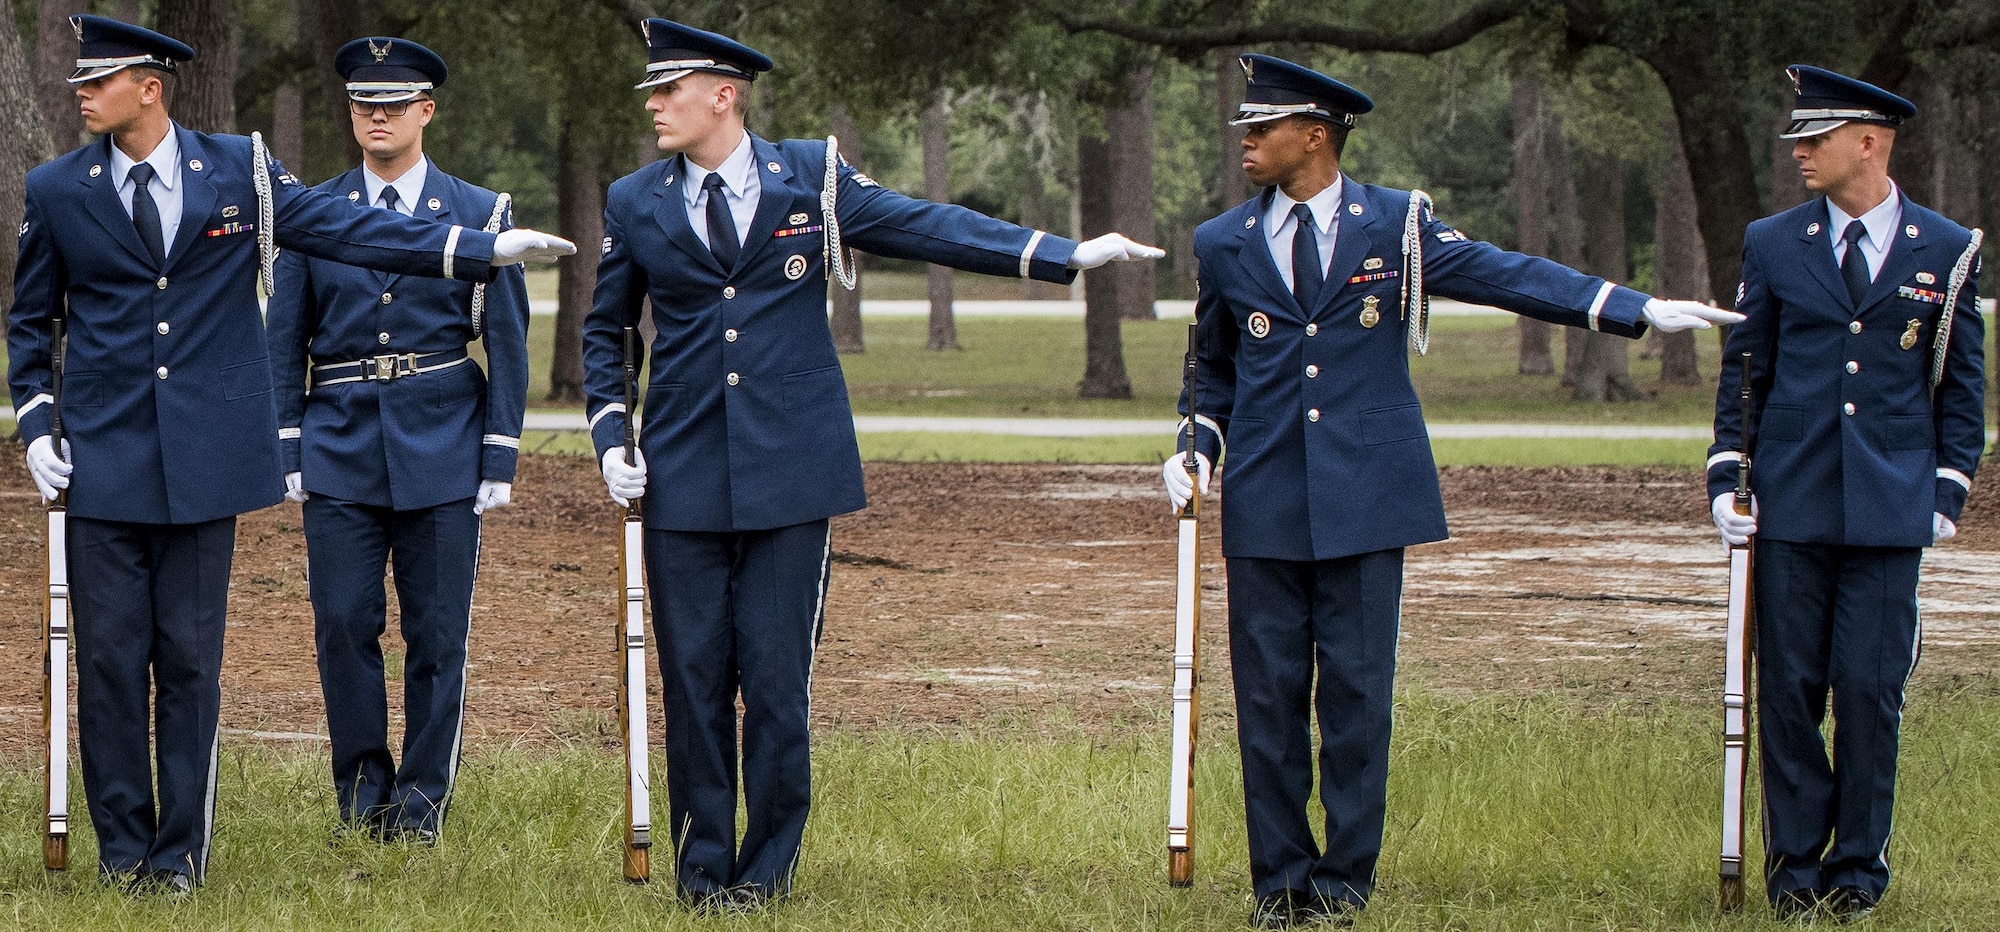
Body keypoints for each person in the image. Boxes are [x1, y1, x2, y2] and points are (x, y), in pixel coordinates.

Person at [580, 18, 1162, 908]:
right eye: (652, 93)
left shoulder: (810, 177)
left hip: (791, 469)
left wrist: (1061, 257)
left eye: (669, 90)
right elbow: (606, 331)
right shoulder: (634, 199)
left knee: (775, 686)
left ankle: (764, 877)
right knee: (694, 685)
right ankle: (703, 877)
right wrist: (612, 432)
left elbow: (923, 225)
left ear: (723, 94)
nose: (654, 105)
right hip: (683, 471)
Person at [1157, 54, 1740, 928]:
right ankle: (1280, 887)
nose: (1246, 139)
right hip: (1269, 499)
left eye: (1263, 126)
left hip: (1368, 494)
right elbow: (1213, 368)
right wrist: (1195, 444)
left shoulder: (1395, 225)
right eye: (1247, 125)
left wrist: (1632, 308)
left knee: (1356, 699)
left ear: (1315, 135)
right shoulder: (1222, 241)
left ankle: (1344, 885)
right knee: (1269, 702)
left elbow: (1506, 275)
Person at [6, 16, 571, 895]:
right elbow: (29, 323)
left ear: (150, 87)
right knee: (110, 662)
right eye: (80, 78)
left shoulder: (239, 169)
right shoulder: (55, 188)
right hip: (103, 456)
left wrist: (474, 249)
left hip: (203, 459)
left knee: (190, 665)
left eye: (102, 77)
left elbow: (346, 231)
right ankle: (123, 855)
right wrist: (37, 421)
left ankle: (180, 858)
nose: (83, 91)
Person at [1707, 65, 1983, 923]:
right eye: (1797, 140)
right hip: (1792, 498)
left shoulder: (1946, 247)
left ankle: (1858, 871)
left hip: (1891, 504)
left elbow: (1961, 382)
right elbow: (1746, 368)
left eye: (1814, 140)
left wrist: (1946, 488)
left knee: (1868, 691)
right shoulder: (1772, 239)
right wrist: (1728, 472)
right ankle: (1794, 873)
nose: (1799, 154)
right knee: (1789, 693)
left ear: (1869, 142)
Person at [265, 37, 531, 846]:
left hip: (444, 438)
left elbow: (510, 343)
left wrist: (500, 453)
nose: (375, 116)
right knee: (344, 624)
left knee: (437, 631)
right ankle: (360, 794)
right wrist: (287, 447)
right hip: (340, 438)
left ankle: (421, 805)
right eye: (361, 105)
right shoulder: (312, 210)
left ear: (427, 111)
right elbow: (285, 339)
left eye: (393, 104)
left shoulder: (481, 212)